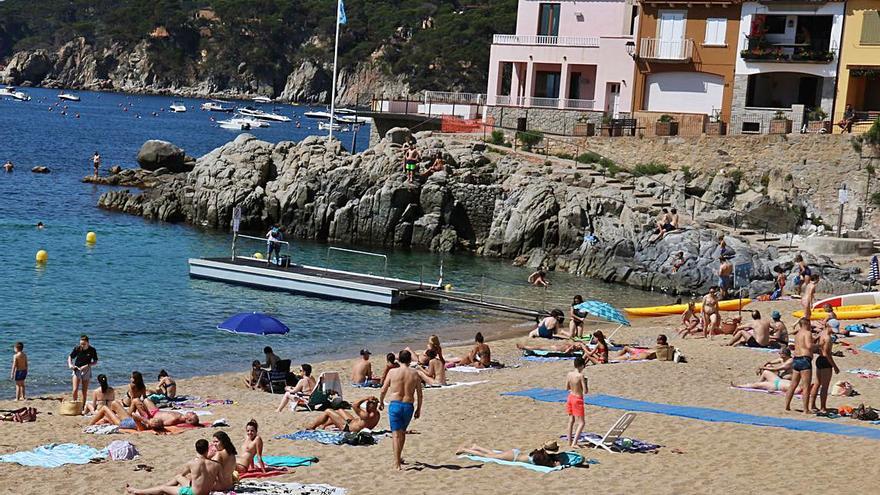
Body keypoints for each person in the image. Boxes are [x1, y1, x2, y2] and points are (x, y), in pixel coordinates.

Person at [126, 439, 221, 495]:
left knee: (163, 488)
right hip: (204, 493)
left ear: (196, 449)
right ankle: (167, 488)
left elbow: (181, 474)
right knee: (179, 479)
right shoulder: (216, 465)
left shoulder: (192, 463)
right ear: (207, 449)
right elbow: (221, 481)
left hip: (192, 493)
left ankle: (138, 491)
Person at [379, 349, 423, 470]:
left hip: (395, 405)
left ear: (399, 360)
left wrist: (381, 401)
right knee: (402, 433)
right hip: (408, 406)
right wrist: (419, 409)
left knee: (395, 435)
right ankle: (399, 458)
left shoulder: (392, 372)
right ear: (409, 360)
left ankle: (397, 463)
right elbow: (419, 393)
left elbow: (383, 389)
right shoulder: (415, 373)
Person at [784, 318, 814, 414]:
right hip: (804, 359)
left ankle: (787, 406)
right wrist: (818, 345)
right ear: (806, 324)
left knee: (793, 384)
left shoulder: (797, 334)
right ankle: (806, 409)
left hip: (796, 359)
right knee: (806, 386)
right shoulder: (807, 333)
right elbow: (809, 346)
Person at [809, 321, 839, 415]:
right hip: (825, 361)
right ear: (829, 326)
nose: (834, 332)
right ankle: (823, 407)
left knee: (817, 384)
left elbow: (814, 342)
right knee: (824, 387)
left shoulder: (821, 333)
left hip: (819, 360)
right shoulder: (828, 338)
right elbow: (827, 354)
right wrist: (835, 366)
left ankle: (812, 405)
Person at [306, 396, 381, 433]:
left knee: (328, 411)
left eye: (368, 404)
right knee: (340, 410)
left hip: (347, 428)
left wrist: (366, 398)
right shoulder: (377, 414)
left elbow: (354, 405)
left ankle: (312, 426)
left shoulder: (366, 415)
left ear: (373, 406)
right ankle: (324, 425)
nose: (367, 406)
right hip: (352, 423)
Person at [455, 444, 566, 468]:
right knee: (487, 456)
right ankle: (464, 449)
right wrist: (555, 464)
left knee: (492, 454)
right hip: (513, 457)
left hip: (515, 453)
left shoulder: (539, 454)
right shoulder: (542, 459)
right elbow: (552, 465)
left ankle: (476, 446)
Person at [130, 398, 202, 431]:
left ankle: (130, 415)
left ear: (188, 419)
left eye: (193, 414)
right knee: (146, 400)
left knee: (137, 401)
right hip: (156, 411)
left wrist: (149, 420)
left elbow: (162, 423)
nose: (193, 412)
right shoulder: (180, 416)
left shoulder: (175, 419)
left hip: (151, 416)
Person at [68, 334, 98, 407]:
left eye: (84, 344)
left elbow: (95, 361)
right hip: (77, 369)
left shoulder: (92, 350)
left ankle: (83, 406)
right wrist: (70, 365)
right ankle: (74, 404)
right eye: (81, 344)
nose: (82, 345)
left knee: (84, 391)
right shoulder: (77, 348)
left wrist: (87, 365)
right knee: (75, 389)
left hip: (86, 370)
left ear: (88, 343)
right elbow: (70, 357)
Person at [566, 357, 588, 448]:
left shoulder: (569, 374)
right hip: (577, 399)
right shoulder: (580, 376)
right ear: (582, 366)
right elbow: (585, 391)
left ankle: (569, 441)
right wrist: (586, 383)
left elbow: (567, 388)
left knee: (571, 420)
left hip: (570, 397)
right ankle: (574, 442)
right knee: (582, 422)